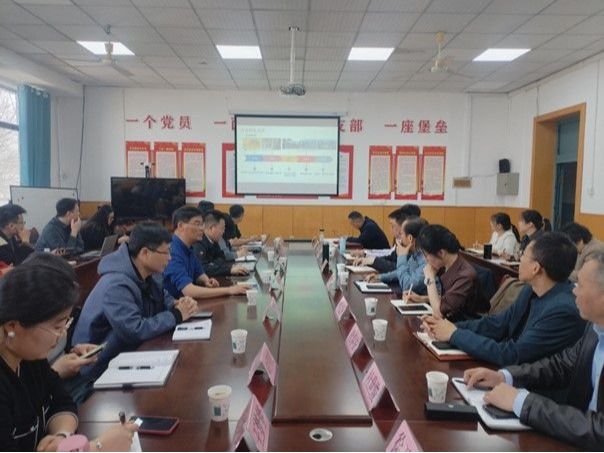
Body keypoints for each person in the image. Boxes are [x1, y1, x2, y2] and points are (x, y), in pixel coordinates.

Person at [463, 251, 604, 449]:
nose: (574, 291)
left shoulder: (570, 311)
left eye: (580, 285)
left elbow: (600, 430)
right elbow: (562, 365)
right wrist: (504, 377)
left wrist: (522, 401)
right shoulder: (595, 328)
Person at [0, 253, 137, 451]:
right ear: (12, 327)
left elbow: (63, 402)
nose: (62, 334)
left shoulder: (30, 358)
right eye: (56, 326)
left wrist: (61, 436)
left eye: (65, 324)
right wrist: (97, 447)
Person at [422, 232, 586, 367]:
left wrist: (455, 334)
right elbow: (497, 324)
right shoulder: (530, 289)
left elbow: (513, 354)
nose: (519, 259)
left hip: (532, 387)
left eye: (523, 255)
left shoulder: (563, 311)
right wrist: (446, 327)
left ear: (535, 268)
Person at [71, 221, 199, 379]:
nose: (170, 258)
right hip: (101, 367)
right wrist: (177, 315)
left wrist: (177, 304)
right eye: (166, 253)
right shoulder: (116, 284)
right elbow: (133, 330)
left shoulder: (149, 273)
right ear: (145, 253)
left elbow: (162, 296)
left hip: (131, 353)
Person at [163, 207, 248, 299]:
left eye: (202, 224)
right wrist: (229, 290)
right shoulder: (172, 251)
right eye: (197, 224)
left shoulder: (189, 247)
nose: (202, 228)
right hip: (175, 303)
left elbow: (199, 272)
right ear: (180, 226)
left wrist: (206, 280)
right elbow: (189, 291)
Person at [411, 224, 489, 321]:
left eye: (426, 255)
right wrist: (422, 299)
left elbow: (439, 313)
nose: (425, 259)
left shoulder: (465, 276)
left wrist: (430, 278)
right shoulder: (446, 265)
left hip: (465, 326)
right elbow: (449, 299)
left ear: (441, 253)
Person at [367, 217, 429, 294]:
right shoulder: (416, 254)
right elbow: (402, 271)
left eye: (401, 234)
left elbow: (407, 286)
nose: (400, 238)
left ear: (410, 238)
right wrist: (380, 277)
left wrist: (401, 257)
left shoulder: (426, 259)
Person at [194, 210, 250, 277]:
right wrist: (229, 269)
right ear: (212, 228)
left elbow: (221, 258)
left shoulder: (214, 240)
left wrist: (232, 266)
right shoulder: (199, 242)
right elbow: (203, 268)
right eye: (222, 228)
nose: (223, 232)